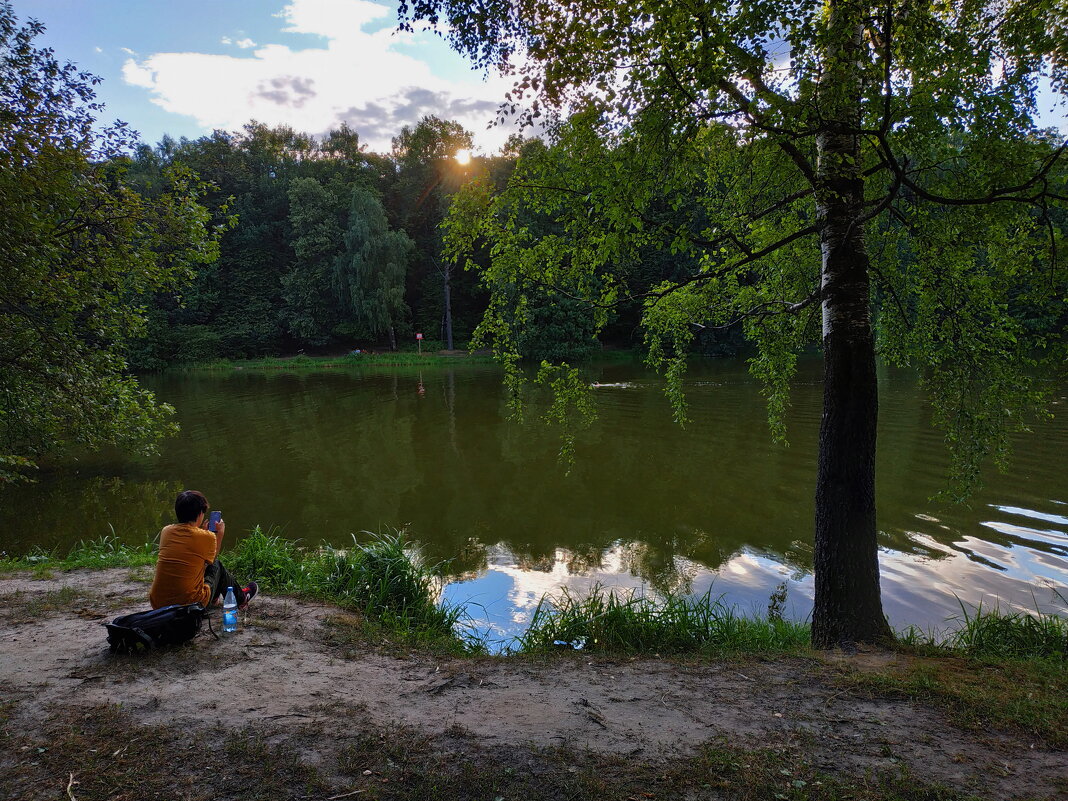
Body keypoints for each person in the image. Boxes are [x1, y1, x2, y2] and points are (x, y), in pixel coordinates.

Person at [149, 490, 258, 611]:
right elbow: (211, 562)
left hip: (158, 604)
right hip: (190, 606)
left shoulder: (166, 531)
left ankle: (215, 596)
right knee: (217, 565)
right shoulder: (206, 536)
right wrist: (220, 534)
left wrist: (201, 531)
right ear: (200, 513)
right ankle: (242, 599)